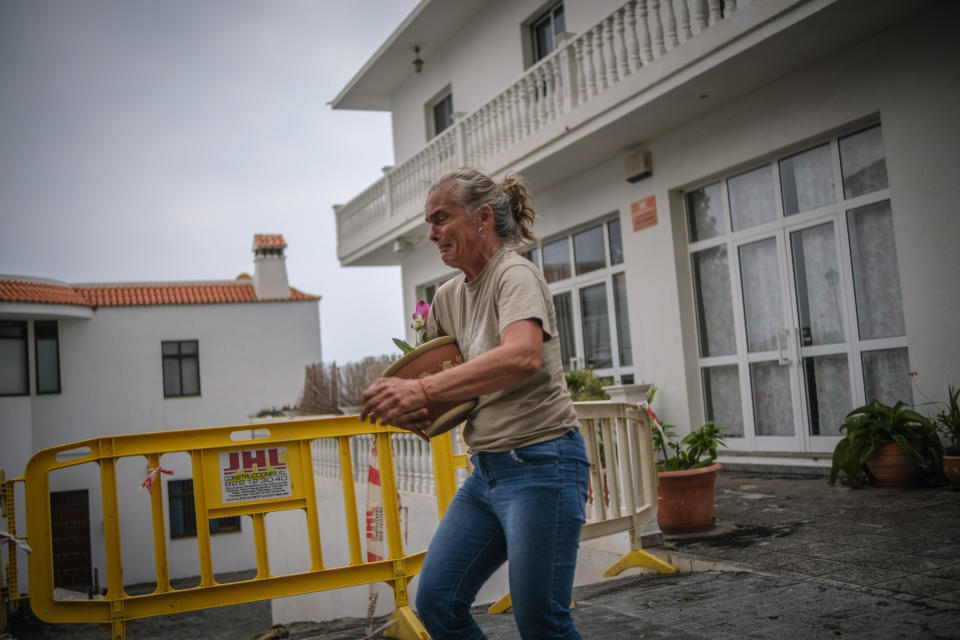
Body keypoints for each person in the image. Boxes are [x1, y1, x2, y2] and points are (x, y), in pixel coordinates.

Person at [361, 167, 588, 639]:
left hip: (543, 463)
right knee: (437, 603)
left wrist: (420, 391)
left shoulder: (515, 275)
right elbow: (452, 388)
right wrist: (417, 412)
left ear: (483, 217)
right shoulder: (447, 297)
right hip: (486, 473)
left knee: (541, 619)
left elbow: (522, 355)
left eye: (441, 219)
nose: (431, 234)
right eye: (429, 222)